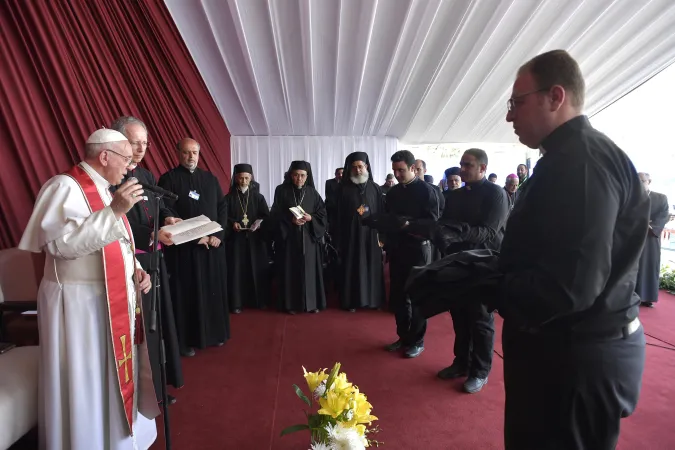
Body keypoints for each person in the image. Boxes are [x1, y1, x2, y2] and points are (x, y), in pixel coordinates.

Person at [501, 49, 648, 449]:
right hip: (564, 353)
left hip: (575, 360)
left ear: (555, 97)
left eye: (516, 102)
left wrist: (486, 282)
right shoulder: (567, 156)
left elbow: (570, 288)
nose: (509, 116)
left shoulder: (581, 162)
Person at [19, 128, 159, 449]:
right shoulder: (63, 186)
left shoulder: (107, 190)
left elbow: (116, 242)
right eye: (125, 157)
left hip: (109, 300)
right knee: (86, 382)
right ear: (105, 156)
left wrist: (136, 270)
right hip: (79, 305)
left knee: (110, 378)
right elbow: (61, 245)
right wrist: (115, 211)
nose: (131, 165)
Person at [404, 149, 508, 394]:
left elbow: (488, 232)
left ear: (482, 168)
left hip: (484, 263)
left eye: (468, 165)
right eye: (461, 164)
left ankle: (479, 371)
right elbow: (445, 225)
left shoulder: (497, 194)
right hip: (458, 261)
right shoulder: (455, 194)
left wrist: (456, 232)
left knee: (480, 319)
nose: (462, 169)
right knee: (459, 315)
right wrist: (444, 235)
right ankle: (461, 362)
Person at [110, 116, 184, 405]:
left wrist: (167, 217)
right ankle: (139, 393)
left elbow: (159, 204)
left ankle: (155, 388)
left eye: (144, 143)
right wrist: (153, 236)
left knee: (156, 330)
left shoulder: (147, 176)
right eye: (134, 142)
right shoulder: (111, 180)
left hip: (156, 260)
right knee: (139, 333)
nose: (140, 148)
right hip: (132, 265)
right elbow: (118, 226)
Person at [158, 138, 230, 357]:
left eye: (195, 153)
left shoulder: (210, 179)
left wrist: (217, 234)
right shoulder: (168, 179)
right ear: (178, 153)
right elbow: (165, 211)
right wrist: (192, 237)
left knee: (212, 290)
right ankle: (186, 341)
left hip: (212, 247)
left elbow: (222, 207)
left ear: (199, 154)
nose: (191, 157)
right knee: (186, 295)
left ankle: (215, 334)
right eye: (187, 153)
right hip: (185, 250)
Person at [376, 150, 441, 357]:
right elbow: (388, 218)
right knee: (399, 295)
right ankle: (403, 336)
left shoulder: (427, 191)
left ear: (413, 168)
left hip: (419, 249)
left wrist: (409, 224)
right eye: (394, 170)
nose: (397, 175)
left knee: (418, 297)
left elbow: (433, 222)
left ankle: (417, 341)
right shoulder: (393, 193)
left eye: (401, 170)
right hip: (397, 248)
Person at [271, 161, 328, 314]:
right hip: (289, 240)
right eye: (296, 175)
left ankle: (312, 304)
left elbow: (322, 213)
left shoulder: (312, 192)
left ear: (307, 176)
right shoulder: (281, 190)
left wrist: (311, 219)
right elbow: (275, 213)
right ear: (291, 175)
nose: (299, 179)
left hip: (309, 240)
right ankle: (291, 305)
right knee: (291, 271)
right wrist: (290, 220)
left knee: (310, 272)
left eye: (302, 175)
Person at [335, 152, 386, 312]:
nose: (358, 170)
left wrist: (382, 235)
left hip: (371, 235)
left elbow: (382, 212)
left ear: (367, 167)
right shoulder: (342, 189)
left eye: (360, 166)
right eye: (354, 167)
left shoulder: (375, 188)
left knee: (372, 266)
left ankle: (374, 300)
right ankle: (351, 302)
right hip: (351, 235)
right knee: (352, 266)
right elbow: (336, 215)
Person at [226, 163, 271, 313]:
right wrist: (232, 223)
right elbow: (224, 217)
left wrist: (259, 223)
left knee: (256, 268)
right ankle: (237, 303)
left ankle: (259, 301)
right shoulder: (229, 198)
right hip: (236, 241)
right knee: (237, 270)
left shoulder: (258, 197)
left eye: (246, 178)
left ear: (251, 178)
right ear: (236, 178)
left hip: (255, 240)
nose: (244, 181)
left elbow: (266, 215)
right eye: (241, 178)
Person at [635, 172, 670, 307]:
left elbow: (663, 216)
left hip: (650, 238)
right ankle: (629, 295)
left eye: (642, 180)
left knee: (648, 265)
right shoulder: (630, 197)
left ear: (649, 182)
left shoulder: (660, 198)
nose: (639, 182)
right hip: (632, 236)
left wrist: (649, 225)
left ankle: (647, 297)